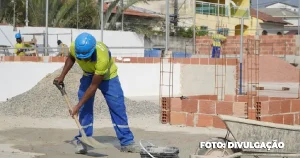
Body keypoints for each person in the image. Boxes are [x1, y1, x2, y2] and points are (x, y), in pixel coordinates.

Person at [54, 32, 141, 154]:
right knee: (85, 108)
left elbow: (93, 86)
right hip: (88, 75)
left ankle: (127, 142)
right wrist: (62, 76)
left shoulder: (102, 57)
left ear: (92, 51)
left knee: (117, 107)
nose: (83, 59)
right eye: (81, 57)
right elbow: (71, 58)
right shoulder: (75, 47)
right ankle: (84, 140)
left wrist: (77, 106)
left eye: (86, 56)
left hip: (108, 77)